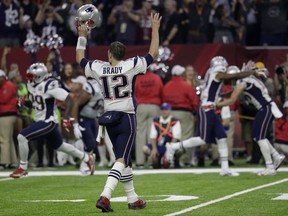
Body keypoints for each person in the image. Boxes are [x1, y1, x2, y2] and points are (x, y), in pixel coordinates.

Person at [76, 12, 161, 212]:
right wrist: (155, 29)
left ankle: (133, 198)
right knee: (121, 159)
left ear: (109, 54)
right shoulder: (130, 65)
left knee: (126, 160)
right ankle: (105, 196)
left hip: (108, 119)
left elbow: (80, 58)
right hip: (126, 118)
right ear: (124, 55)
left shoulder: (98, 67)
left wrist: (82, 35)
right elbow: (153, 54)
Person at [165, 56, 258, 176]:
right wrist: (249, 72)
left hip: (210, 108)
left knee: (222, 137)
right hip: (206, 108)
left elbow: (219, 90)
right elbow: (232, 77)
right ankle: (173, 147)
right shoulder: (216, 73)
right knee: (203, 139)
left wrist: (235, 88)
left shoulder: (211, 73)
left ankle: (225, 168)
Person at [9, 63, 95, 178]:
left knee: (22, 136)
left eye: (32, 76)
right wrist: (24, 103)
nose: (29, 78)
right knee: (60, 146)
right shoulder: (31, 85)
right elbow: (36, 104)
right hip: (40, 120)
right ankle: (87, 158)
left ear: (40, 76)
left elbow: (69, 99)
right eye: (29, 76)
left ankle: (23, 168)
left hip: (48, 121)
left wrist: (67, 117)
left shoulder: (48, 86)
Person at [215, 60, 286, 176]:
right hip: (266, 107)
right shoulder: (246, 80)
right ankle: (276, 156)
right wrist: (222, 95)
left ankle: (270, 166)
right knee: (257, 136)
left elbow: (233, 100)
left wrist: (215, 105)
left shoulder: (241, 82)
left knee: (259, 137)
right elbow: (234, 92)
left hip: (265, 108)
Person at [70, 75, 105, 175]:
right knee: (89, 143)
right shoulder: (91, 89)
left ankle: (88, 164)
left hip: (92, 118)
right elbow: (76, 105)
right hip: (83, 118)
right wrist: (75, 124)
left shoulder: (105, 87)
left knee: (93, 143)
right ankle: (84, 165)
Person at [134, 65, 163, 168]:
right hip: (154, 106)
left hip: (141, 106)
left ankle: (140, 162)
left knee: (140, 133)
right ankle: (152, 161)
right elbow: (161, 92)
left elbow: (134, 92)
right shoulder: (156, 78)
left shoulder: (137, 78)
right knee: (153, 134)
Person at [143, 102, 181, 169]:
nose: (164, 111)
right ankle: (157, 159)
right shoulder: (156, 121)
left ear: (170, 111)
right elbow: (152, 137)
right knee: (145, 149)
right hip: (159, 146)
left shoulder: (175, 121)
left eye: (166, 109)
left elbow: (175, 137)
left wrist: (169, 151)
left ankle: (175, 160)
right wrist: (154, 149)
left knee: (180, 149)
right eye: (162, 109)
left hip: (170, 145)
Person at [0, 69, 18, 169]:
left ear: (2, 77)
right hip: (8, 114)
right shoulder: (6, 85)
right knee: (9, 139)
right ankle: (13, 161)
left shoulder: (8, 85)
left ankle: (4, 162)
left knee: (4, 139)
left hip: (6, 115)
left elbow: (3, 99)